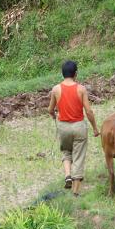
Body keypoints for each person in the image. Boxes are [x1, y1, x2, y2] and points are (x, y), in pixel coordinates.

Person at [47, 60, 99, 196]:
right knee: (79, 156)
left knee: (66, 152)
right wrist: (95, 128)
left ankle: (68, 175)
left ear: (62, 73)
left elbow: (50, 109)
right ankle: (75, 192)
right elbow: (88, 111)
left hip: (63, 127)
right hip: (79, 126)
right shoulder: (81, 89)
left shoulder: (56, 89)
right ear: (76, 73)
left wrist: (54, 116)